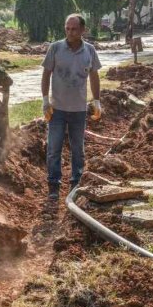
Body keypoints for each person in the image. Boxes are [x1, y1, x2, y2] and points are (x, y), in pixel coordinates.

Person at [41, 13, 102, 201]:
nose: (70, 32)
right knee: (54, 148)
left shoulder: (89, 51)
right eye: (67, 28)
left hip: (79, 110)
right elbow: (46, 74)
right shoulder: (55, 48)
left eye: (74, 29)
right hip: (57, 109)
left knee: (78, 149)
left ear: (83, 30)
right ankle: (54, 185)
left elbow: (94, 76)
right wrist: (45, 100)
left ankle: (76, 183)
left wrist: (96, 100)